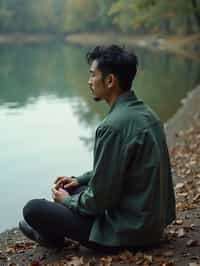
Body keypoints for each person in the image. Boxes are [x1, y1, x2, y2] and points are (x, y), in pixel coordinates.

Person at [19, 45, 176, 252]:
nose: (89, 81)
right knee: (73, 188)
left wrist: (68, 202)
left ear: (110, 81)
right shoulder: (147, 114)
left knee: (34, 209)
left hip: (126, 233)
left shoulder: (112, 127)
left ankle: (52, 239)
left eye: (93, 75)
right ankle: (53, 232)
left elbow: (98, 201)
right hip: (150, 224)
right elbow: (120, 169)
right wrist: (80, 180)